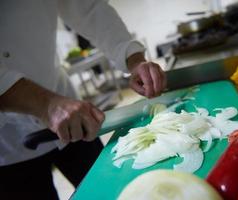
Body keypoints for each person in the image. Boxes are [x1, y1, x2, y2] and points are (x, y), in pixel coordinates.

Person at [0, 1, 166, 199]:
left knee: (113, 192)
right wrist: (46, 105)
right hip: (7, 147)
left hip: (74, 118)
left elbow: (89, 8)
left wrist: (133, 58)